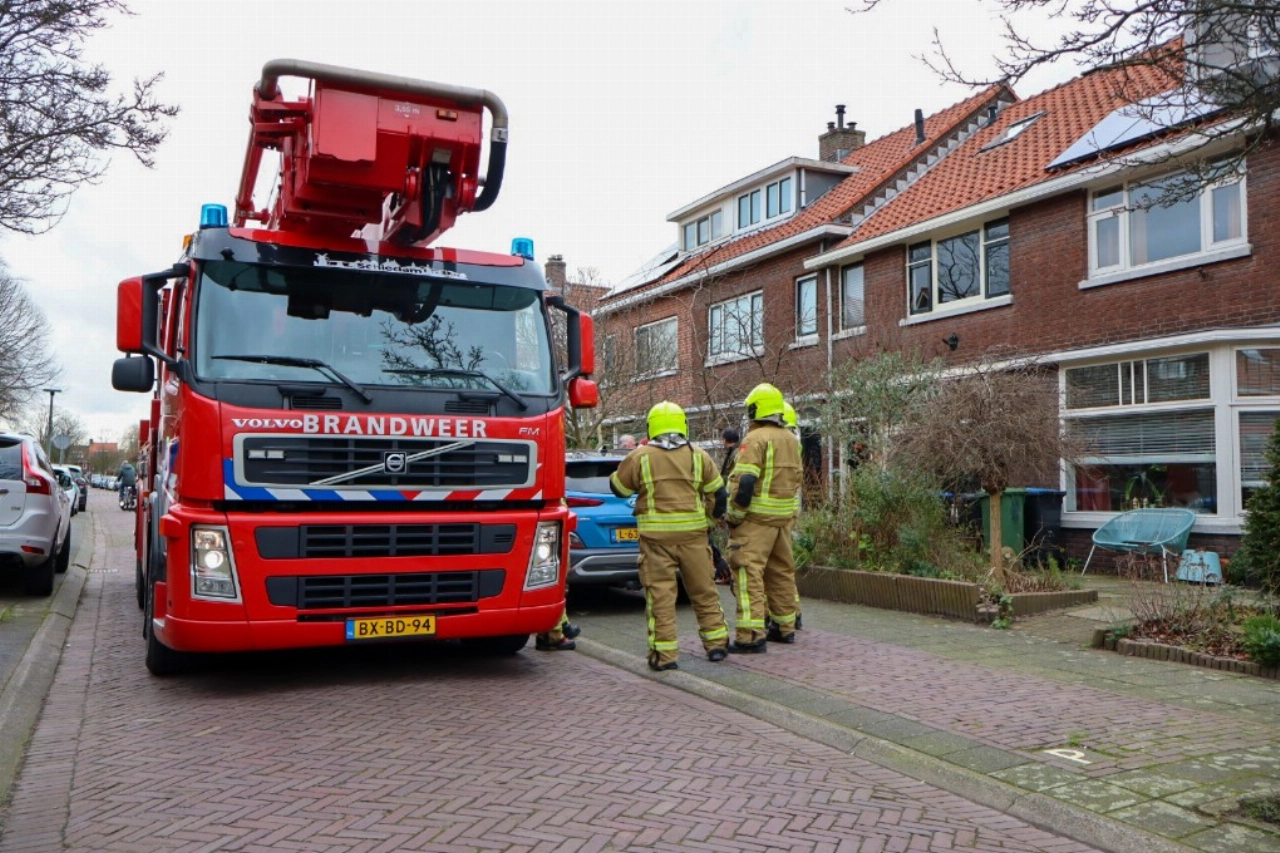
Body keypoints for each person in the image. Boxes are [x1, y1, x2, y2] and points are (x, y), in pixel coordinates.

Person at [610, 402, 730, 671]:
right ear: (682, 425)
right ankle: (717, 646)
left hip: (656, 542)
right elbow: (720, 495)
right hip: (694, 539)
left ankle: (665, 657)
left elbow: (618, 488)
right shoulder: (699, 456)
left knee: (661, 597)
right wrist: (708, 521)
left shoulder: (640, 456)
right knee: (704, 592)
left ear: (652, 427)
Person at [725, 383, 802, 652]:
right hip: (782, 519)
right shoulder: (791, 440)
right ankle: (783, 628)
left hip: (755, 520)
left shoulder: (754, 440)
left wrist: (734, 515)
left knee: (748, 573)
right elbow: (797, 480)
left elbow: (745, 482)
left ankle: (750, 636)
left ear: (755, 409)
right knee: (781, 572)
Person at [711, 426, 741, 585]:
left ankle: (729, 574)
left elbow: (732, 478)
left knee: (732, 540)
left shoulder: (736, 455)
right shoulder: (733, 453)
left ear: (725, 440)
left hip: (731, 502)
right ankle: (727, 572)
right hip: (728, 500)